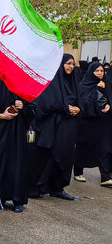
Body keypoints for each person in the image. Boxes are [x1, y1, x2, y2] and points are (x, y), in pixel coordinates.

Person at [26, 54, 81, 200]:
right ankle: (38, 188)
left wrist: (78, 108)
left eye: (72, 64)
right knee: (47, 157)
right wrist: (65, 107)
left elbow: (80, 99)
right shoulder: (52, 82)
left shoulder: (73, 81)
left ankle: (58, 188)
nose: (70, 67)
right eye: (68, 63)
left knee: (65, 157)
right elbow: (46, 103)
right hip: (52, 127)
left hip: (67, 128)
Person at [0, 76, 35, 213]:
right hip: (0, 131)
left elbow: (33, 109)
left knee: (17, 165)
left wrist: (23, 106)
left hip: (18, 133)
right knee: (0, 162)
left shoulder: (23, 81)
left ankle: (18, 199)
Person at [74, 62, 112, 186]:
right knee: (83, 148)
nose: (100, 74)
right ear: (91, 72)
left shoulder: (106, 85)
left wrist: (108, 105)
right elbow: (86, 103)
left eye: (102, 71)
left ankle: (105, 177)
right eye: (97, 71)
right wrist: (98, 89)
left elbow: (108, 100)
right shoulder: (83, 86)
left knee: (103, 148)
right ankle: (78, 171)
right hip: (86, 123)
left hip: (101, 122)